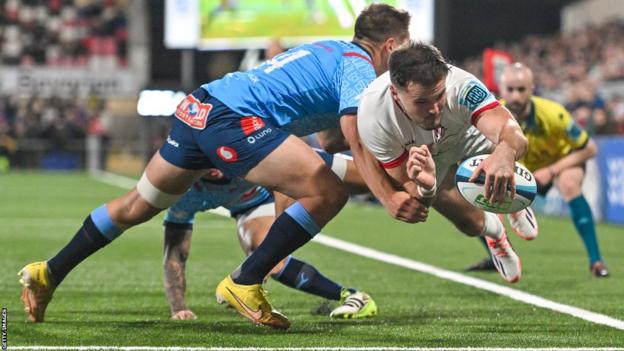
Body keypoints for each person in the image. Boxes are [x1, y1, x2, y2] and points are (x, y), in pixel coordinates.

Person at [18, 4, 411, 329]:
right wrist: (389, 196)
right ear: (390, 46)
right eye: (407, 47)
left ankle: (48, 272)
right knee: (326, 190)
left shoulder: (329, 50)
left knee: (136, 206)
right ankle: (245, 281)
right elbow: (354, 140)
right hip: (234, 121)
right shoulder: (359, 67)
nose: (409, 57)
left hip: (199, 108)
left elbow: (331, 140)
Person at [342, 42, 529, 284]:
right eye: (421, 102)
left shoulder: (461, 85)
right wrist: (428, 186)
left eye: (439, 96)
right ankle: (497, 236)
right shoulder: (374, 118)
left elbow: (514, 134)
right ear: (395, 94)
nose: (434, 109)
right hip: (425, 156)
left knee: (507, 147)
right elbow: (410, 186)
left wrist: (505, 154)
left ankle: (516, 199)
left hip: (467, 134)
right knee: (466, 222)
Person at [164, 150, 376, 321]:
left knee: (376, 177)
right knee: (274, 261)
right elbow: (174, 254)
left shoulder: (239, 150)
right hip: (252, 205)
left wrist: (277, 236)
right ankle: (353, 296)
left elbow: (285, 169)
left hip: (291, 172)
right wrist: (179, 309)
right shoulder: (183, 193)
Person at [466, 63, 609, 278]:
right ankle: (497, 256)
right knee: (474, 191)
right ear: (501, 89)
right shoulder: (491, 116)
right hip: (520, 170)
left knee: (570, 183)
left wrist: (551, 171)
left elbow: (589, 148)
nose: (515, 96)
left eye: (521, 89)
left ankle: (596, 261)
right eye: (510, 89)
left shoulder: (554, 114)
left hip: (558, 162)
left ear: (532, 88)